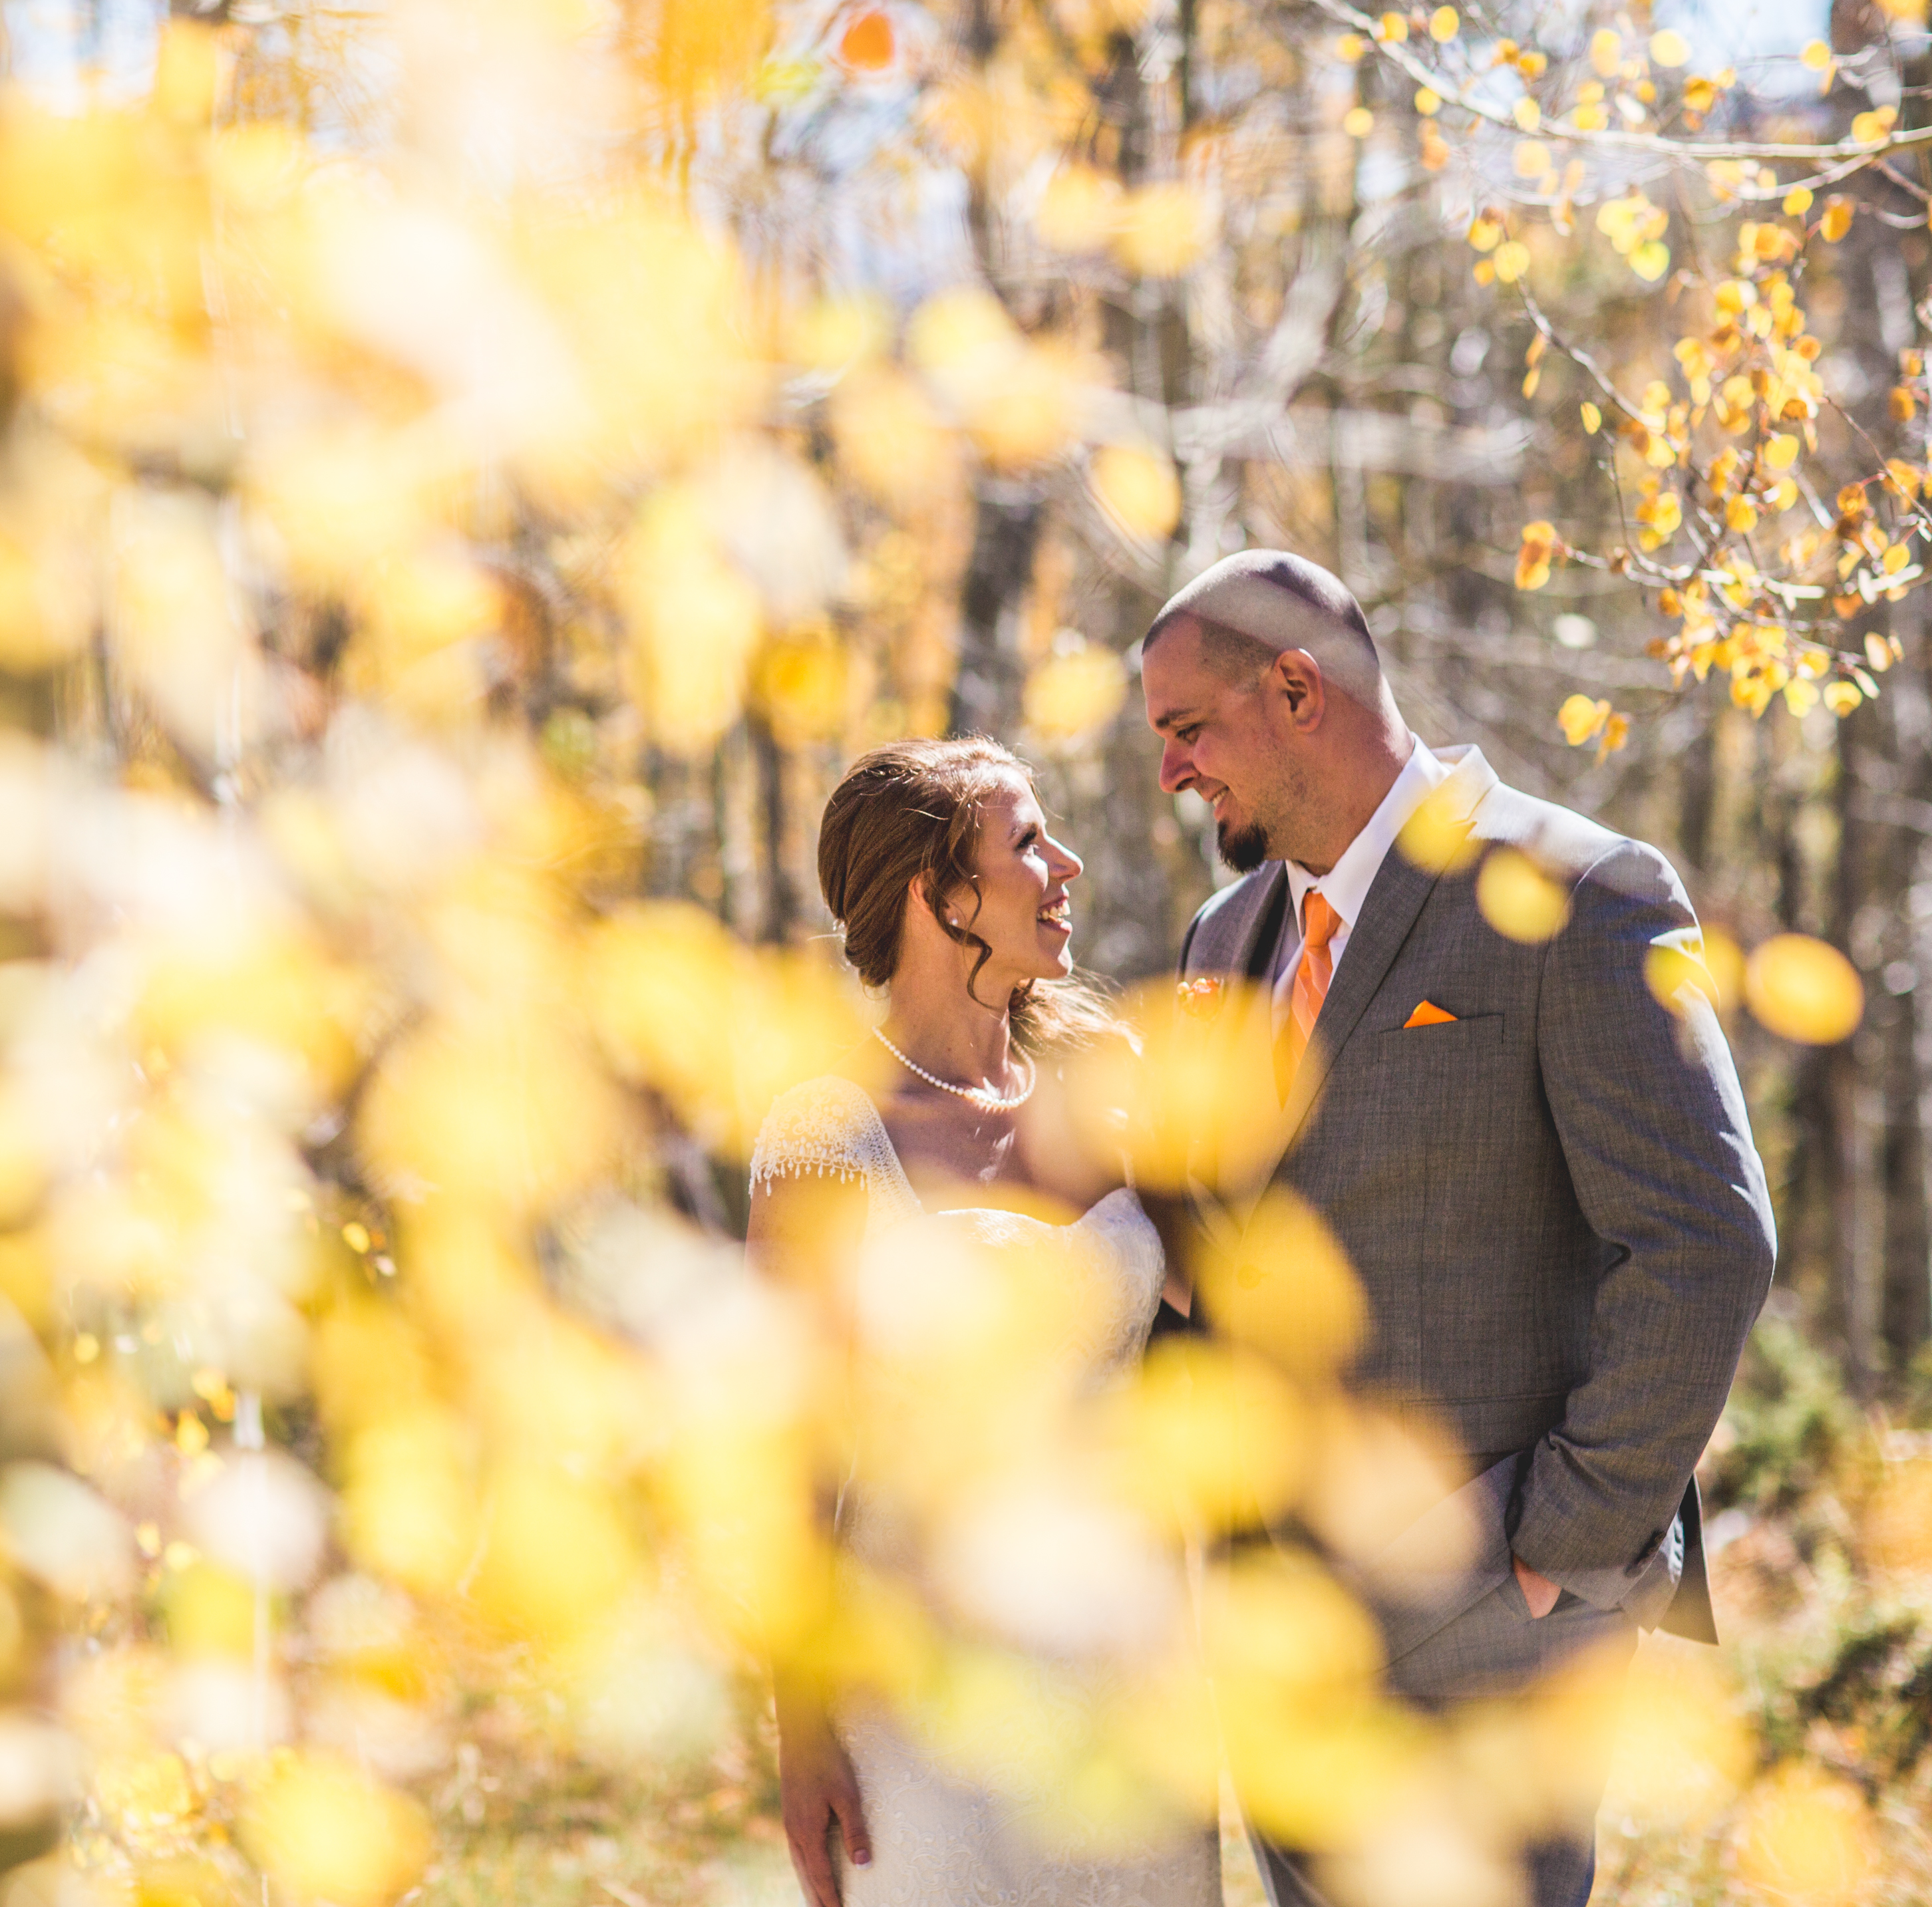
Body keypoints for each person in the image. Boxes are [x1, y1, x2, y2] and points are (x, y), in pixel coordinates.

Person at [1143, 549, 1776, 1906]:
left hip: (1494, 1636)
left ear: (1296, 689)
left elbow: (1703, 1243)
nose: (1170, 773)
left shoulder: (1579, 896)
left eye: (1186, 730)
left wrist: (1557, 1544)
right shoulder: (1218, 940)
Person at [752, 736, 1218, 1907]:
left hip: (1132, 1666)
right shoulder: (828, 1134)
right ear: (937, 893)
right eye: (1026, 844)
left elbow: (1233, 1300)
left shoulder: (1097, 1089)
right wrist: (799, 1729)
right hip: (927, 1689)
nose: (1063, 866)